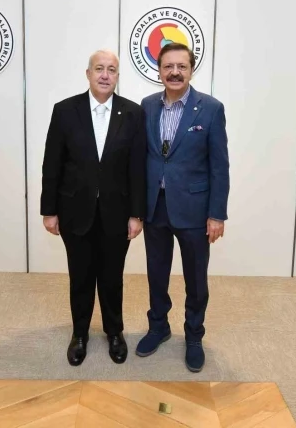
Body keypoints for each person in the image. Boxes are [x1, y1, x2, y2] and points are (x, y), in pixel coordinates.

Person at [41, 49, 145, 366]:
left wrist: (136, 213)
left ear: (117, 77)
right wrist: (49, 210)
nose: (104, 75)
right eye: (99, 68)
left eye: (111, 70)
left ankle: (115, 333)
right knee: (81, 277)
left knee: (112, 278)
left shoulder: (133, 113)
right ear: (88, 74)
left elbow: (138, 168)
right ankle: (80, 334)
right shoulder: (65, 111)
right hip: (75, 212)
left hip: (117, 213)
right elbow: (52, 164)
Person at [135, 42, 229, 372]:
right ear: (159, 70)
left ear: (191, 70)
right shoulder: (147, 106)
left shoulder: (211, 108)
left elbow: (219, 166)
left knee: (196, 279)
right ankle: (158, 326)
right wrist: (136, 207)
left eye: (181, 66)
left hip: (194, 209)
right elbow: (140, 158)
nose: (174, 72)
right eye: (168, 66)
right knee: (156, 273)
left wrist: (216, 214)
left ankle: (193, 335)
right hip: (155, 207)